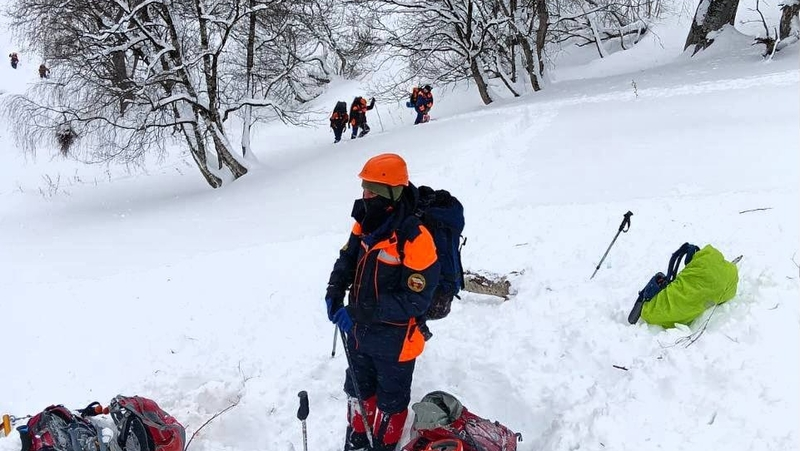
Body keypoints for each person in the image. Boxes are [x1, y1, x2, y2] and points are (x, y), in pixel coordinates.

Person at [325, 153, 440, 451]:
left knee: (391, 401)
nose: (365, 196)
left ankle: (383, 444)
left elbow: (416, 301)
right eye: (364, 189)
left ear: (390, 194)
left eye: (371, 191)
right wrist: (335, 290)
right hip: (360, 333)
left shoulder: (416, 239)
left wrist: (360, 311)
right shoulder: (365, 221)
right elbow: (347, 257)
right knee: (357, 390)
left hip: (397, 341)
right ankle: (358, 437)